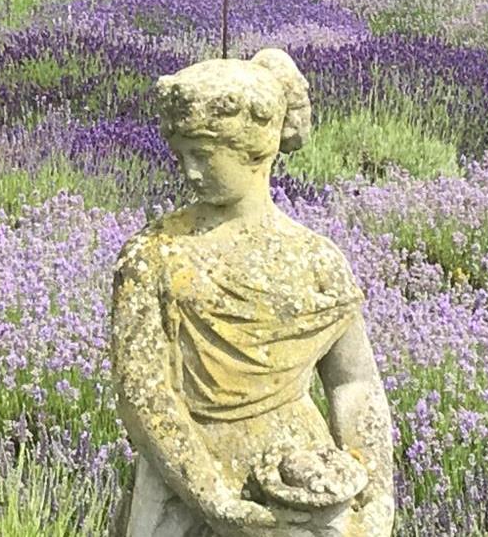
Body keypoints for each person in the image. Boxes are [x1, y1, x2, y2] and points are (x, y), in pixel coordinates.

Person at [111, 51, 395, 537]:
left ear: (256, 152)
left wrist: (375, 492)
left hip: (302, 485)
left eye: (204, 154)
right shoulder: (154, 256)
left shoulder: (316, 261)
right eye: (181, 155)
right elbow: (143, 394)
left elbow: (355, 383)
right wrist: (213, 498)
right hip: (189, 487)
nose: (189, 171)